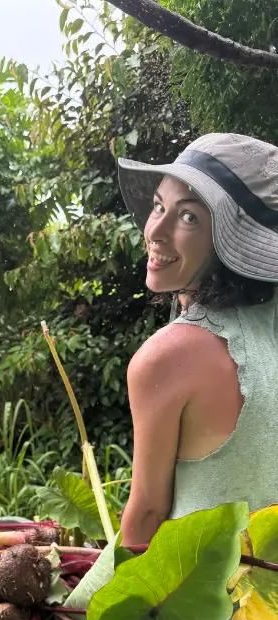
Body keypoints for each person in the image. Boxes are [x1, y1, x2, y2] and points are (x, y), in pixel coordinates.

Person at [116, 133, 278, 546]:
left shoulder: (168, 357)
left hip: (202, 605)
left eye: (189, 217)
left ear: (232, 240)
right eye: (159, 206)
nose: (156, 230)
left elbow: (147, 517)